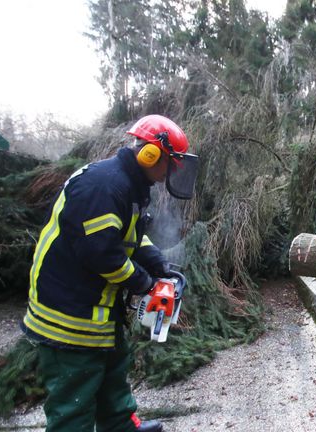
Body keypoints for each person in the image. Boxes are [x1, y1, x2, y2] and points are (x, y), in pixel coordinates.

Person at [21, 114, 199, 432]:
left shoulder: (128, 185)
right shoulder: (104, 186)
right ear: (150, 155)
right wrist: (145, 284)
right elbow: (102, 254)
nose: (169, 174)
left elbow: (128, 236)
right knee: (73, 407)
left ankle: (121, 427)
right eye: (170, 164)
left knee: (113, 384)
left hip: (98, 311)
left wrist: (157, 264)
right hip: (70, 316)